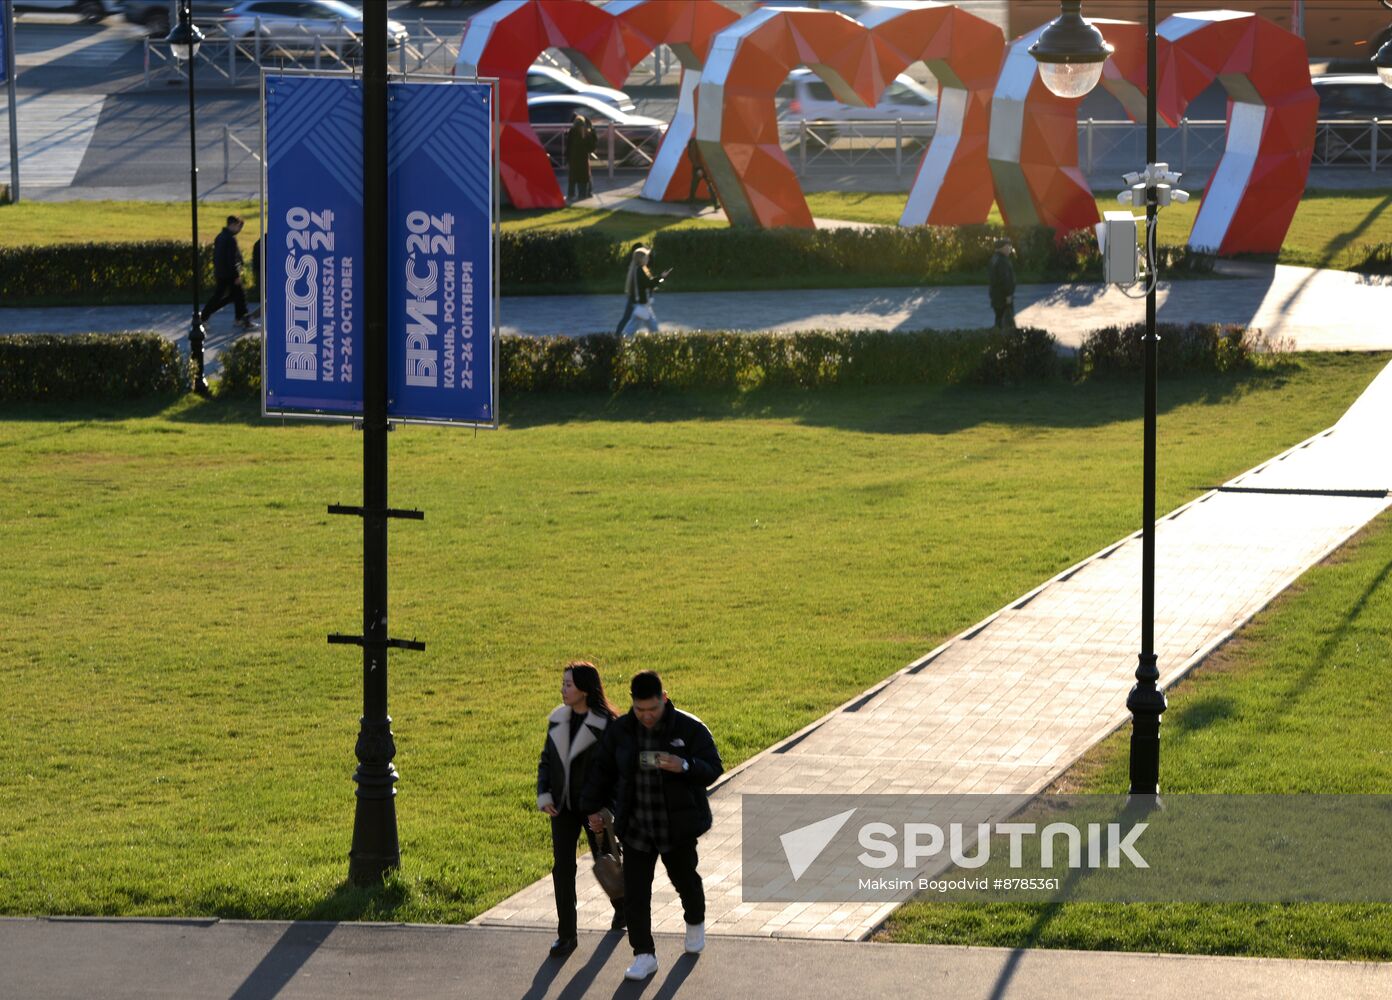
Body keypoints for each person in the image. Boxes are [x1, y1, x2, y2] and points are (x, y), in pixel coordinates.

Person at [581, 670, 723, 982]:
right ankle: (644, 955)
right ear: (633, 704)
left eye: (653, 709)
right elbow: (602, 770)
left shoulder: (689, 728)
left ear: (664, 699)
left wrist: (683, 765)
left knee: (684, 879)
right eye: (640, 710)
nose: (646, 716)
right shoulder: (621, 731)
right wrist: (592, 808)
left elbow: (713, 767)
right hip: (636, 826)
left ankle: (695, 920)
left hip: (677, 825)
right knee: (635, 894)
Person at [539, 661, 625, 957]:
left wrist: (605, 810)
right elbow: (546, 761)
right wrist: (544, 793)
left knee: (606, 860)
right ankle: (567, 935)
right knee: (562, 868)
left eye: (568, 684)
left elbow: (616, 772)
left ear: (585, 690)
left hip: (593, 809)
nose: (562, 689)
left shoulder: (607, 725)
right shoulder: (558, 719)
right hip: (562, 808)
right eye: (563, 683)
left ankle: (622, 907)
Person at [201, 215, 257, 331]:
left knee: (231, 296)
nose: (239, 230)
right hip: (230, 274)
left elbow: (217, 257)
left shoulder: (220, 237)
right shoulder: (230, 239)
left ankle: (239, 319)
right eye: (238, 226)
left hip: (221, 273)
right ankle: (242, 320)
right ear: (232, 225)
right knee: (237, 296)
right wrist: (236, 275)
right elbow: (231, 259)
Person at [615, 246, 667, 337]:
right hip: (642, 304)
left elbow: (648, 284)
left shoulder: (637, 270)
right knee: (647, 326)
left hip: (642, 304)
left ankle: (622, 340)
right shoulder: (640, 271)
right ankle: (622, 341)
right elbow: (649, 284)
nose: (648, 259)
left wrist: (661, 279)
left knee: (641, 324)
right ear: (641, 259)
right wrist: (662, 278)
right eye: (646, 257)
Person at [565, 114, 597, 202]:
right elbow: (591, 148)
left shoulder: (572, 132)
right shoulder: (586, 134)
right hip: (583, 160)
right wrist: (593, 133)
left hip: (573, 159)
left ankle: (571, 195)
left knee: (572, 178)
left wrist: (567, 159)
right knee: (584, 178)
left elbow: (568, 147)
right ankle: (584, 195)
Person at [988, 237, 1016, 330]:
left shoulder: (995, 258)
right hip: (1003, 297)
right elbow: (1005, 279)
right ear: (1001, 248)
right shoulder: (1002, 261)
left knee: (999, 319)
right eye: (1007, 247)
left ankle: (997, 337)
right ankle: (1004, 341)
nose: (1010, 249)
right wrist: (1008, 295)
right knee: (1006, 323)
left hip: (996, 296)